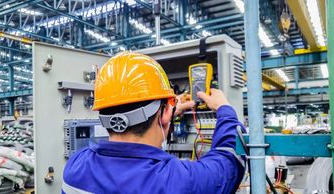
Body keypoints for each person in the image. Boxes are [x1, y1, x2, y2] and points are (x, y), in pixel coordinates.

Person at [62, 52, 246, 194]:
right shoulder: (181, 181)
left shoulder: (76, 166)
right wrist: (224, 108)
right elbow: (230, 159)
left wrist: (168, 111)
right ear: (166, 112)